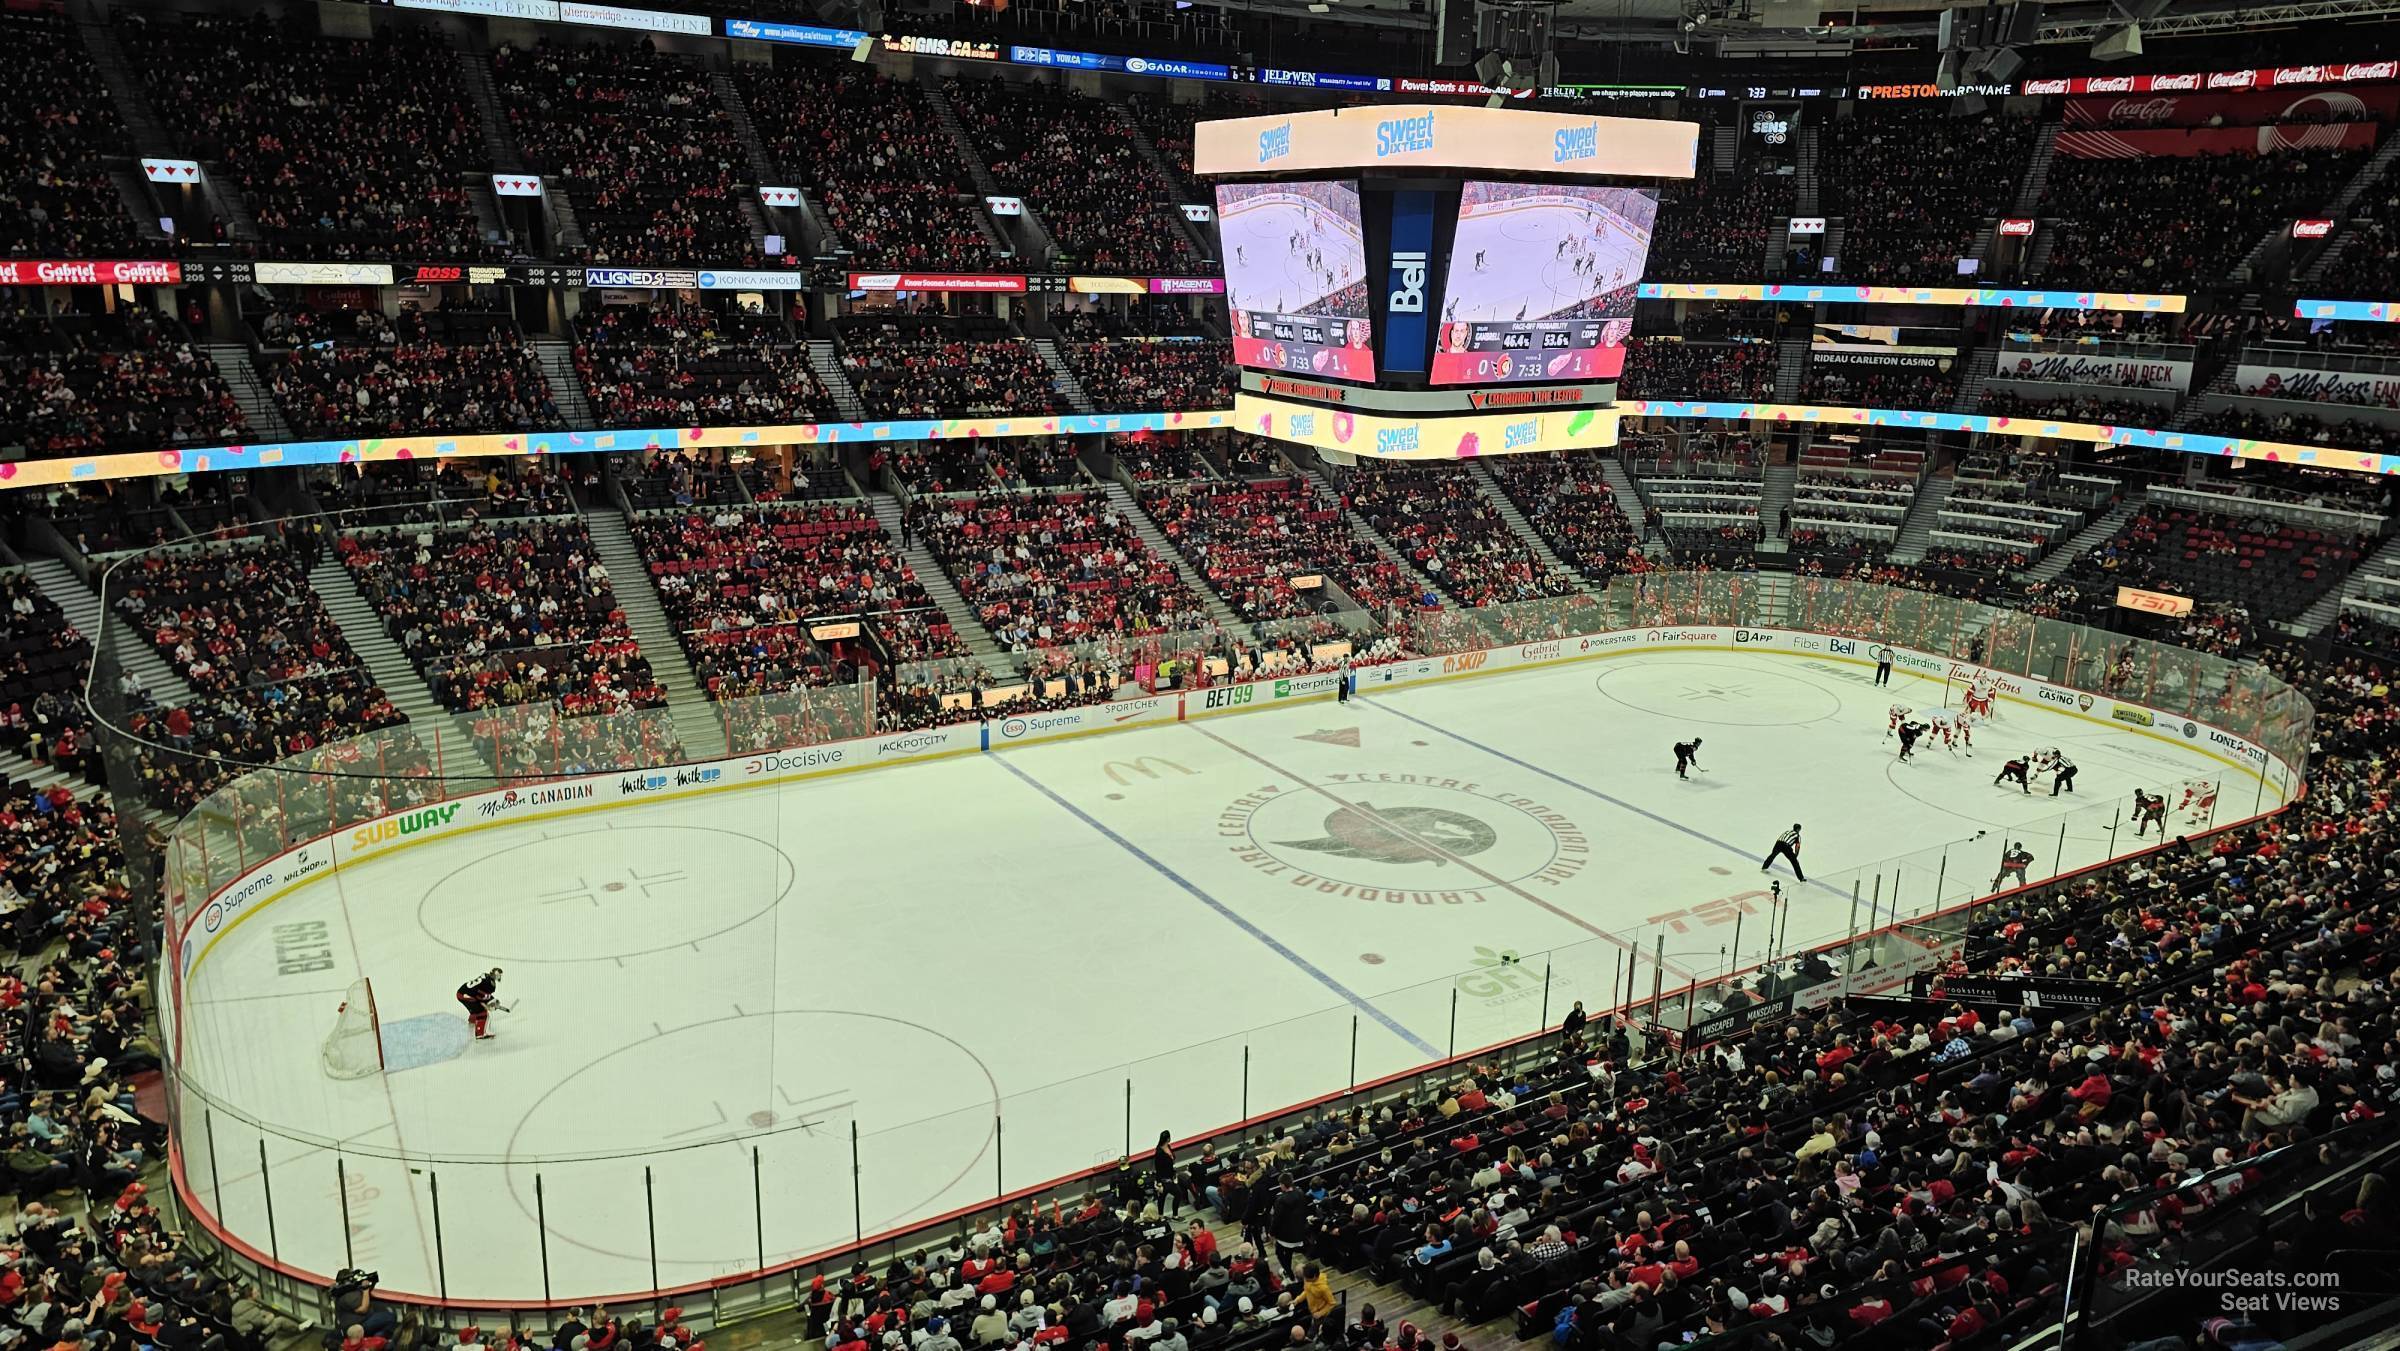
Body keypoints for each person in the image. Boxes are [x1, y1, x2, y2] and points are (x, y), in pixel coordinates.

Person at [457, 968, 504, 1040]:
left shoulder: (486, 976)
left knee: (476, 1009)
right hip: (465, 995)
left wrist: (491, 1001)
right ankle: (480, 1035)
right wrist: (489, 1004)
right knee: (482, 1013)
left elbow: (480, 993)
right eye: (499, 975)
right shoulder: (490, 984)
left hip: (463, 993)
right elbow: (480, 995)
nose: (500, 977)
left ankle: (471, 1025)